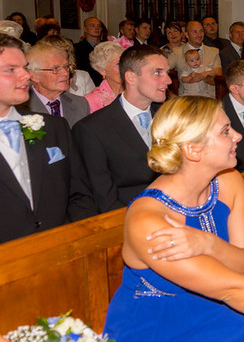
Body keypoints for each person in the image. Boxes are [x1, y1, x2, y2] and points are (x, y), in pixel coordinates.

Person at [103, 96, 244, 342]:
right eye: (226, 131)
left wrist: (208, 244)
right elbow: (232, 288)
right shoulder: (149, 221)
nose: (237, 136)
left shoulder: (228, 181)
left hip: (216, 307)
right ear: (193, 149)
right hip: (159, 323)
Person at [0, 33, 96, 243]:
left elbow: (79, 191)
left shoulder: (53, 126)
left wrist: (73, 234)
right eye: (10, 70)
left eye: (24, 68)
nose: (25, 76)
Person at [73, 45, 172, 212]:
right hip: (126, 217)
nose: (168, 80)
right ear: (131, 77)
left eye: (167, 72)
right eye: (157, 73)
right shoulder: (92, 129)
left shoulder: (170, 117)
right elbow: (103, 197)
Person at [20, 43, 91, 127]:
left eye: (66, 67)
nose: (66, 73)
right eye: (55, 69)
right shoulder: (20, 107)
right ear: (34, 76)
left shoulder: (80, 104)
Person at [168, 21, 221, 96]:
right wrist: (169, 95)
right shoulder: (177, 52)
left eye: (201, 31)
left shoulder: (213, 52)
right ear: (187, 34)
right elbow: (162, 70)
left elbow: (218, 78)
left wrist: (200, 76)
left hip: (209, 100)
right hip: (187, 100)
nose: (199, 35)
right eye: (194, 32)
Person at [84, 41, 126, 113]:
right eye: (118, 64)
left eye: (125, 61)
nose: (125, 66)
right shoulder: (91, 101)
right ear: (102, 71)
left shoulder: (137, 91)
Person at [74, 17, 103, 85]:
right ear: (85, 29)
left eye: (99, 26)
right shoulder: (77, 48)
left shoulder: (107, 46)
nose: (96, 28)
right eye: (92, 25)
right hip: (87, 84)